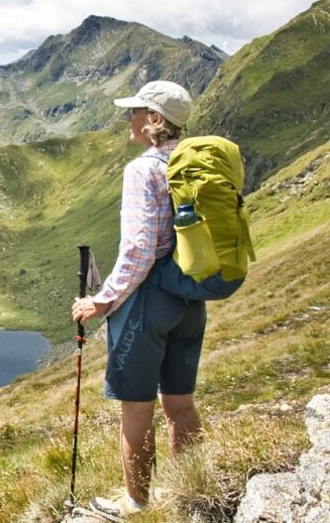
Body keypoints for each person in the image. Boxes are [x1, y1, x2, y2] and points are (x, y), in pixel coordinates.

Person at [71, 81, 205, 518]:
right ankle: (191, 492)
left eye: (134, 111)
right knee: (180, 404)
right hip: (189, 298)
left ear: (155, 120)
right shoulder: (194, 164)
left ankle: (136, 504)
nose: (127, 118)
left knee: (137, 408)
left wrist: (103, 301)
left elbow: (140, 250)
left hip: (147, 303)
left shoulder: (143, 170)